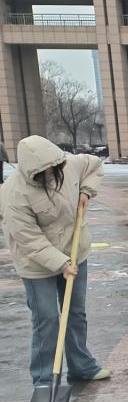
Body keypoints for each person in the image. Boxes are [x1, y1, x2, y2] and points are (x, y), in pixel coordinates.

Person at [0, 135, 110, 386]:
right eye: (44, 172)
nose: (51, 175)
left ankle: (82, 366)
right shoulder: (13, 193)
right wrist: (61, 264)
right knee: (47, 318)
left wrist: (86, 191)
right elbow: (29, 239)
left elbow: (95, 165)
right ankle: (44, 378)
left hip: (74, 250)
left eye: (54, 169)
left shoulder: (69, 163)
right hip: (36, 264)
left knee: (75, 312)